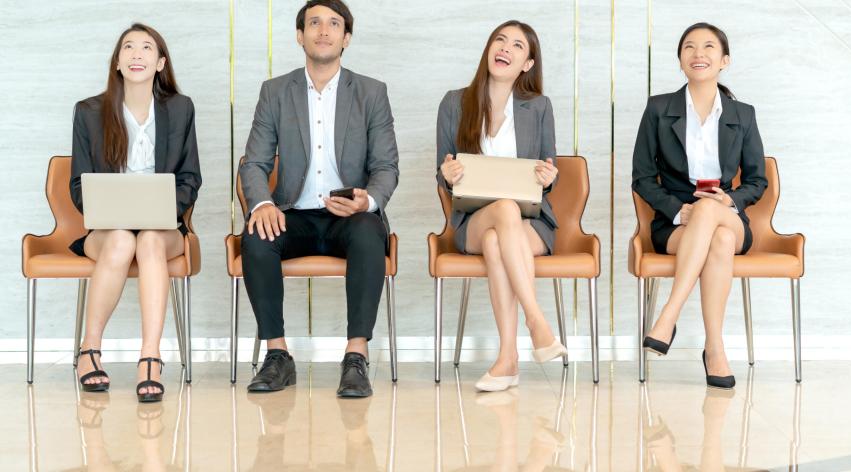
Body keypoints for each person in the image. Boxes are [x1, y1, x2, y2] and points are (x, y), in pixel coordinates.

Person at [239, 0, 398, 398]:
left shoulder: (371, 92)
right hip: (293, 213)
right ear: (300, 35)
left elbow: (386, 167)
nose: (323, 30)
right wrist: (262, 204)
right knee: (257, 234)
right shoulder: (275, 92)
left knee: (367, 233)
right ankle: (277, 356)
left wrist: (368, 201)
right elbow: (254, 164)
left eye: (333, 24)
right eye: (314, 23)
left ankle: (356, 356)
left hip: (350, 215)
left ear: (346, 38)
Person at [70, 23, 201, 402]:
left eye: (147, 48)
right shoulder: (89, 112)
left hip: (164, 228)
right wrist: (110, 213)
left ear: (160, 63)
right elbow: (78, 185)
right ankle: (89, 350)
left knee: (147, 243)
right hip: (107, 230)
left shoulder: (180, 109)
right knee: (122, 240)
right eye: (128, 47)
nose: (137, 54)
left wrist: (161, 212)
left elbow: (190, 178)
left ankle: (150, 356)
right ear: (117, 62)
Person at [631, 23, 766, 389]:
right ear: (680, 60)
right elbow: (642, 178)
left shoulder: (744, 114)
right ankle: (715, 349)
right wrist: (679, 210)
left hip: (729, 215)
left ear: (724, 60)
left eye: (708, 47)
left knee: (712, 214)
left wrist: (730, 199)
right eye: (689, 47)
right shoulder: (658, 109)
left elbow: (757, 181)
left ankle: (668, 315)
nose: (698, 53)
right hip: (675, 224)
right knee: (717, 240)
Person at [436, 20, 566, 392]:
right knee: (503, 213)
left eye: (517, 46)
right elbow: (441, 173)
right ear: (489, 48)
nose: (505, 48)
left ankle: (507, 358)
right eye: (500, 40)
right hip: (472, 219)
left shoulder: (539, 107)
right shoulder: (454, 102)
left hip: (532, 224)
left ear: (527, 64)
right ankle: (536, 322)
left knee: (500, 236)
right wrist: (448, 172)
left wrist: (546, 176)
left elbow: (549, 169)